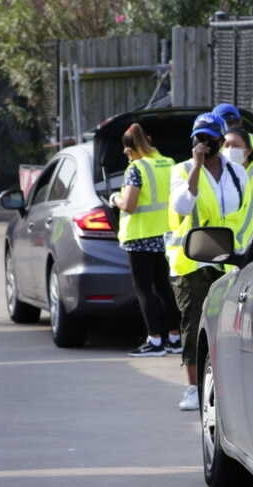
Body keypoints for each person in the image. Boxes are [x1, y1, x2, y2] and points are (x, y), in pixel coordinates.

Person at [167, 112, 253, 411]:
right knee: (193, 325)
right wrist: (196, 166)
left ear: (220, 140)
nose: (205, 143)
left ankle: (222, 384)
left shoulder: (236, 172)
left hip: (228, 259)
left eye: (210, 138)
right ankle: (192, 388)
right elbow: (182, 204)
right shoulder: (181, 170)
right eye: (200, 138)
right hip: (192, 261)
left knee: (228, 326)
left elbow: (244, 210)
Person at [110, 123, 182, 357]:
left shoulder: (136, 168)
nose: (125, 154)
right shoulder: (168, 163)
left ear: (131, 148)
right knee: (164, 288)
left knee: (144, 290)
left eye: (125, 150)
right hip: (165, 235)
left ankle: (155, 340)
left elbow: (129, 204)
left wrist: (114, 198)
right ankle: (174, 338)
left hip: (140, 237)